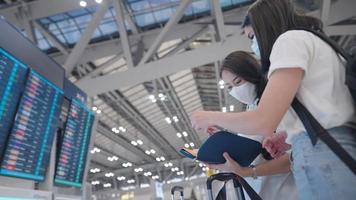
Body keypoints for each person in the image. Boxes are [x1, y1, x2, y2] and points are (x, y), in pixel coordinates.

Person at [190, 0, 356, 199]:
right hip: (330, 148)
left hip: (324, 154)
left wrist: (211, 117)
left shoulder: (289, 40)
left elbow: (264, 120)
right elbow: (325, 107)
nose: (253, 45)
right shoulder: (316, 41)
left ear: (265, 26)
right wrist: (288, 137)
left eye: (252, 36)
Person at [213, 51, 298, 200]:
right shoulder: (252, 108)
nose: (235, 90)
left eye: (238, 82)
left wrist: (249, 171)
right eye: (229, 87)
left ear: (251, 73)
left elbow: (293, 158)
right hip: (261, 190)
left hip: (286, 190)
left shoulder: (276, 104)